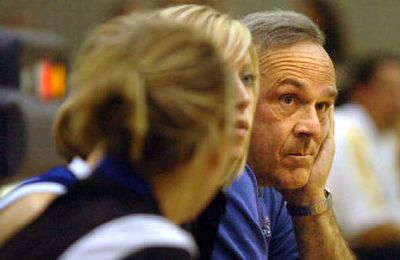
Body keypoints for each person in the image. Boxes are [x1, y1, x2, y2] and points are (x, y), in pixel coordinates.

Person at [0, 3, 260, 248]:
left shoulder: (207, 202)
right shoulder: (46, 205)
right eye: (218, 78)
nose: (243, 97)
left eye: (247, 78)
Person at [200, 10, 354, 259]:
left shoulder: (272, 188)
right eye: (289, 99)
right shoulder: (227, 175)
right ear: (236, 99)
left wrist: (311, 198)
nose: (312, 127)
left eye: (322, 106)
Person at [328, 54, 400, 258]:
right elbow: (366, 228)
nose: (397, 100)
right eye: (389, 90)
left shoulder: (385, 136)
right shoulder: (345, 129)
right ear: (360, 92)